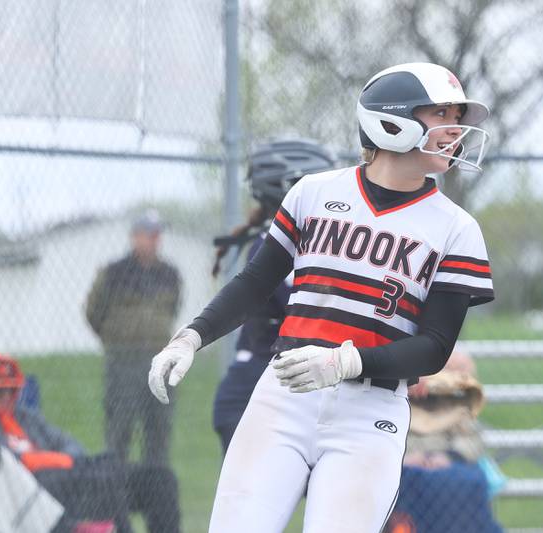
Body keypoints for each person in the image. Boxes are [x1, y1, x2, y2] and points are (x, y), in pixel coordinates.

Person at [149, 61, 495, 533]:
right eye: (441, 113)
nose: (454, 129)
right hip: (282, 396)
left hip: (371, 413)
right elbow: (255, 283)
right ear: (391, 119)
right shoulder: (313, 192)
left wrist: (346, 363)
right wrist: (190, 337)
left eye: (457, 115)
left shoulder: (457, 229)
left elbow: (434, 346)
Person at [212, 138, 336, 455]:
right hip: (254, 391)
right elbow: (319, 308)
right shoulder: (277, 243)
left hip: (282, 387)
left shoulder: (308, 239)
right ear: (290, 188)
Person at [0, 351, 180, 533]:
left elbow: (69, 444)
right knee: (106, 482)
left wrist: (63, 462)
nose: (6, 397)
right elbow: (10, 462)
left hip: (75, 475)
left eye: (11, 390)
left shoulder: (25, 418)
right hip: (40, 489)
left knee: (161, 478)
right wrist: (58, 461)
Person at [85, 209, 181, 467]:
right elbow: (93, 312)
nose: (154, 240)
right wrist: (116, 340)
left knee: (158, 431)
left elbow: (172, 310)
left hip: (161, 361)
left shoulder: (170, 274)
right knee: (120, 429)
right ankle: (116, 497)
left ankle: (155, 496)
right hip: (124, 361)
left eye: (157, 235)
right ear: (135, 237)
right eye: (149, 234)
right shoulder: (114, 273)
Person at [386, 351, 503, 533]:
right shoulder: (395, 405)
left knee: (465, 481)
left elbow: (472, 443)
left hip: (447, 469)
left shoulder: (458, 410)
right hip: (405, 467)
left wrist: (448, 456)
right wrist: (407, 458)